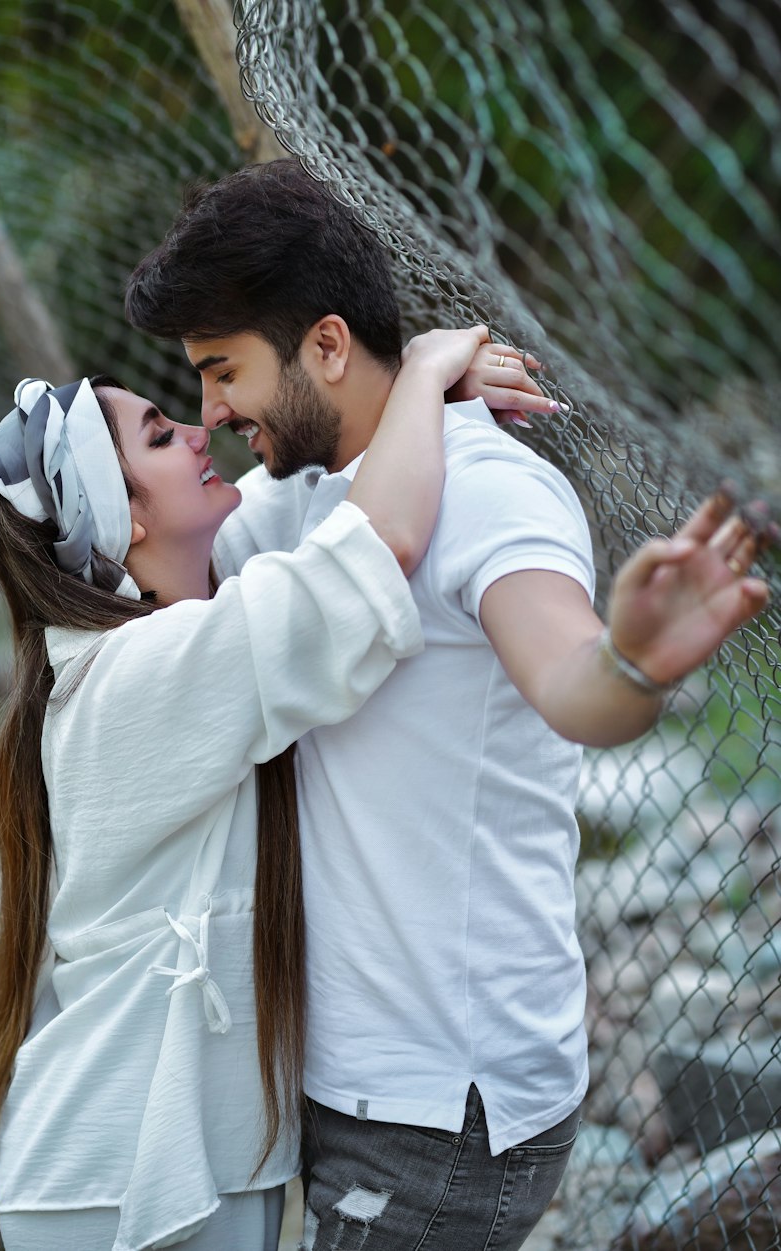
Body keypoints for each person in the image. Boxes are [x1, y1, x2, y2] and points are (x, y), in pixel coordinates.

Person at [124, 157, 776, 1251]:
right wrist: (427, 371)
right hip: (347, 1078)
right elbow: (149, 588)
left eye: (222, 370)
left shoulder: (491, 489)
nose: (211, 409)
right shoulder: (298, 497)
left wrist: (635, 663)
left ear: (325, 346)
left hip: (447, 1103)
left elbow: (575, 689)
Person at [0, 330, 490, 1251]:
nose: (201, 433)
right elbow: (376, 546)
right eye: (162, 436)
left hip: (172, 1162)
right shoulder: (141, 677)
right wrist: (429, 369)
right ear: (121, 523)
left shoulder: (159, 646)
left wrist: (399, 401)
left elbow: (316, 477)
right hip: (118, 1176)